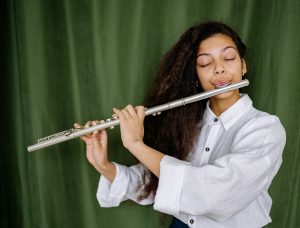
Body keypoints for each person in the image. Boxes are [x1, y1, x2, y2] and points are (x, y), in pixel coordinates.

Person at [75, 21, 286, 228]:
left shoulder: (265, 129)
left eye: (229, 58)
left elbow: (212, 193)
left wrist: (135, 144)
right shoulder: (185, 123)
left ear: (243, 65)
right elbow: (156, 180)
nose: (219, 69)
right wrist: (103, 165)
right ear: (195, 74)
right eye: (205, 63)